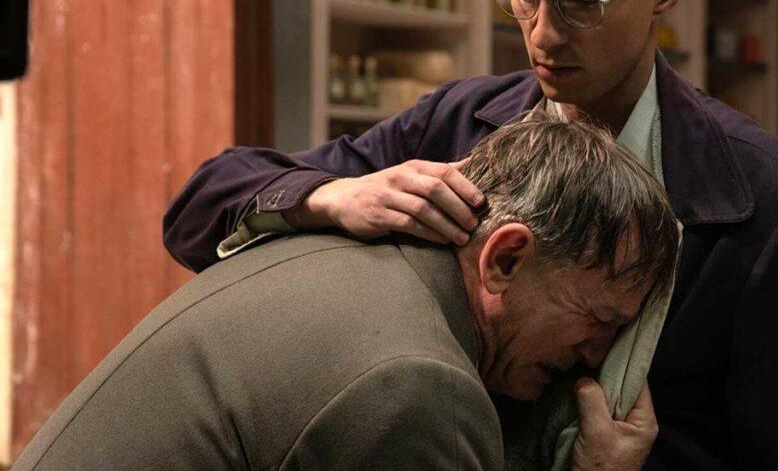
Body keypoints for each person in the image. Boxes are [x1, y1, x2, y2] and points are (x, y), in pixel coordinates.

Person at [163, 0, 778, 468]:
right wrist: (330, 195)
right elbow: (198, 209)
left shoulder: (773, 206)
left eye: (581, 2)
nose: (541, 33)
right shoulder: (455, 127)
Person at [14, 118, 678, 471]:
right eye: (599, 319)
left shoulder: (333, 253)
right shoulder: (418, 389)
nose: (598, 354)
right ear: (504, 258)